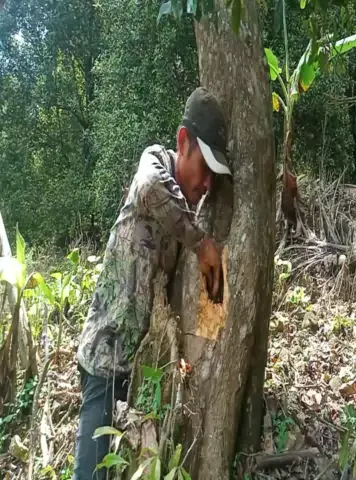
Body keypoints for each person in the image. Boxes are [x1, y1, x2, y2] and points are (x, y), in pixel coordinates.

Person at [73, 87, 232, 480]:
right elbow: (149, 186)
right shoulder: (155, 164)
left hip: (146, 370)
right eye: (205, 168)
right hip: (106, 361)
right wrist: (201, 244)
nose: (207, 184)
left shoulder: (188, 210)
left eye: (214, 176)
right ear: (183, 141)